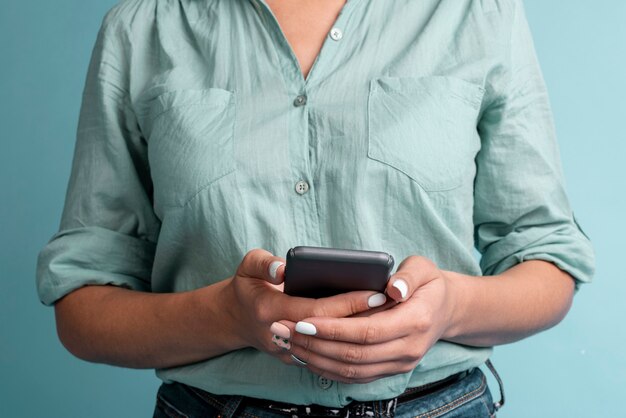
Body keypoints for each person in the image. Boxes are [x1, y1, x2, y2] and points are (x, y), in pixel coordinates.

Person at [36, 0, 595, 417]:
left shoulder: (477, 14)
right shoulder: (142, 29)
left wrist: (448, 309)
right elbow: (83, 308)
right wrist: (229, 316)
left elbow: (546, 261)